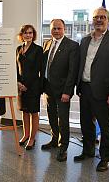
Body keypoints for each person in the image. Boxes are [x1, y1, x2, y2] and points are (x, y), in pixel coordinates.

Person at [74, 7, 109, 172]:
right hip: (85, 88)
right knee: (86, 124)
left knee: (106, 127)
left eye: (102, 17)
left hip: (105, 93)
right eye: (96, 17)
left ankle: (106, 158)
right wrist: (78, 85)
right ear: (92, 20)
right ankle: (88, 151)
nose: (99, 20)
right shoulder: (84, 40)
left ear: (108, 20)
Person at [41, 19, 79, 162]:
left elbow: (72, 71)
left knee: (63, 120)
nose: (56, 31)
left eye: (59, 28)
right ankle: (54, 140)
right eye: (53, 28)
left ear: (64, 29)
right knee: (51, 117)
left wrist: (67, 92)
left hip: (63, 91)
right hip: (48, 88)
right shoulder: (47, 43)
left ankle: (63, 148)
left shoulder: (72, 46)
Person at [16, 25, 43, 150]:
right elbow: (16, 68)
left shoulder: (38, 49)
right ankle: (25, 135)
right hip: (20, 86)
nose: (28, 35)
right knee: (24, 111)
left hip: (33, 86)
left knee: (33, 112)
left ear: (34, 34)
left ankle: (32, 138)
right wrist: (18, 83)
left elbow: (37, 70)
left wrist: (27, 85)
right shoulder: (18, 49)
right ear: (22, 35)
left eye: (30, 33)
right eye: (26, 33)